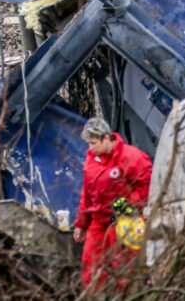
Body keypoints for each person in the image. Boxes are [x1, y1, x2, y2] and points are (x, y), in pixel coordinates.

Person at [73, 117, 152, 290]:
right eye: (88, 144)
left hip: (123, 221)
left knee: (124, 269)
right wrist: (81, 224)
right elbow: (86, 194)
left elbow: (147, 186)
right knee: (90, 267)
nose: (90, 148)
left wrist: (126, 205)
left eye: (93, 143)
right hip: (98, 222)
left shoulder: (132, 157)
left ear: (106, 138)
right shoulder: (90, 161)